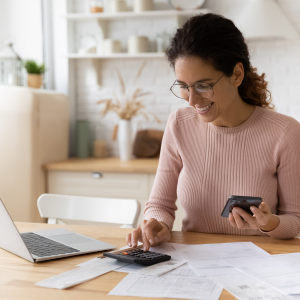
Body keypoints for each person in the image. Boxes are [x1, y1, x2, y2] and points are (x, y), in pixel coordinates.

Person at [127, 13, 300, 251]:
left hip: (261, 263)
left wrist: (269, 223)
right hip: (194, 262)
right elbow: (160, 204)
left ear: (237, 75)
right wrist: (157, 223)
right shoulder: (179, 124)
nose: (192, 100)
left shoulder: (285, 132)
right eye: (184, 87)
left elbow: (295, 220)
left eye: (203, 86)